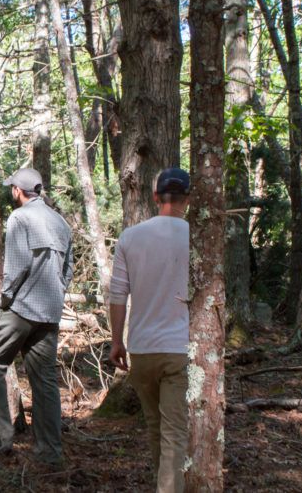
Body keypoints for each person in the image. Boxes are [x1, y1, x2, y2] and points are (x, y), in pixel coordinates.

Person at [0, 167, 73, 463]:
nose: (10, 192)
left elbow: (16, 267)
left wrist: (4, 301)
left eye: (11, 189)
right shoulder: (61, 223)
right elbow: (67, 271)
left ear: (17, 191)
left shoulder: (20, 217)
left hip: (20, 308)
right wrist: (57, 294)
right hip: (50, 313)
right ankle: (50, 452)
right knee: (44, 380)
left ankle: (0, 436)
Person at [109, 167, 191, 492]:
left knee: (157, 427)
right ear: (189, 199)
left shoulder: (130, 237)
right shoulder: (197, 237)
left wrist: (117, 342)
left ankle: (164, 485)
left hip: (141, 350)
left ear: (155, 197)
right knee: (174, 433)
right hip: (181, 350)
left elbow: (117, 294)